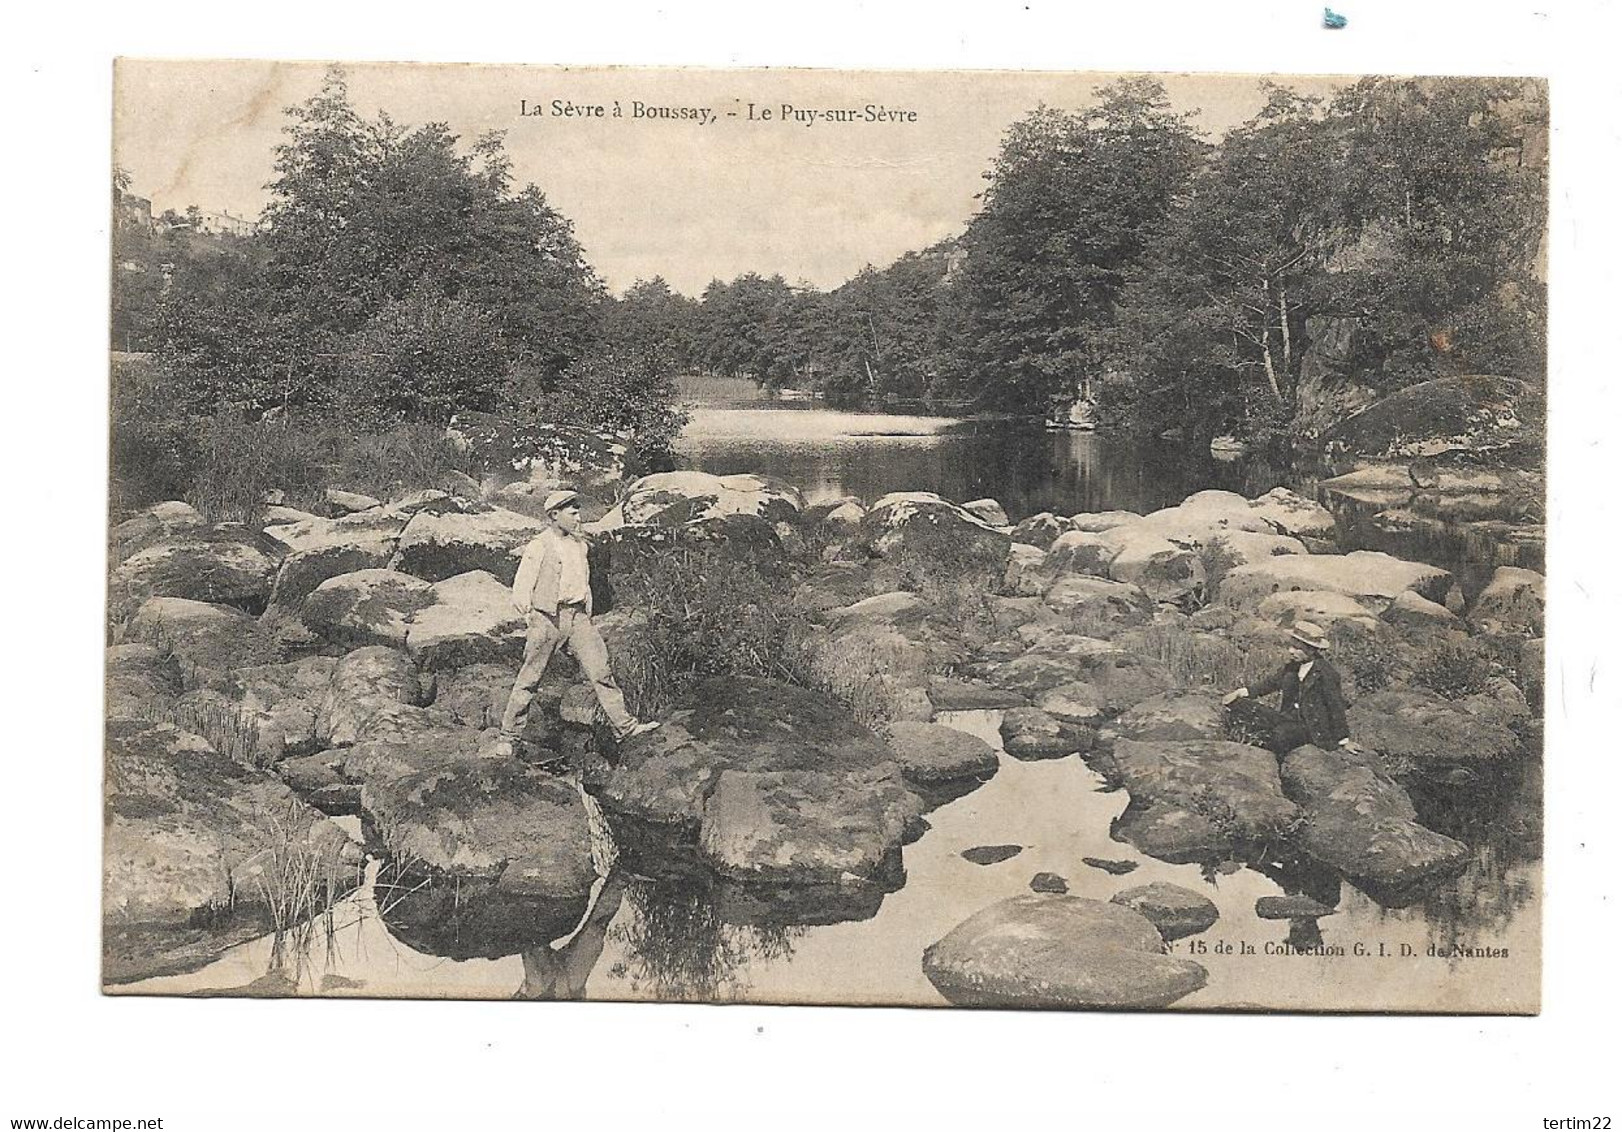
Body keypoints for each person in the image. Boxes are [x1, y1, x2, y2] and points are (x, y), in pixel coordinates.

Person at [490, 489, 658, 759]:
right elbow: (522, 585)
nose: (578, 517)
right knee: (530, 678)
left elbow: (583, 582)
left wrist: (586, 613)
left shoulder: (580, 545)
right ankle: (508, 737)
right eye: (573, 512)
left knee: (601, 672)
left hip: (578, 617)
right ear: (555, 515)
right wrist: (531, 616)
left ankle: (624, 728)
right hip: (548, 618)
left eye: (578, 511)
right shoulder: (539, 545)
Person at [1222, 621, 1353, 755]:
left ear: (1311, 650)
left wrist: (1343, 740)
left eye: (1297, 648)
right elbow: (1270, 684)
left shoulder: (1325, 673)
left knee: (1281, 734)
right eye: (1291, 646)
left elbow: (1335, 705)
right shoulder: (1292, 667)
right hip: (1287, 718)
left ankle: (1275, 760)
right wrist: (1241, 692)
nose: (1291, 651)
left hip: (1311, 727)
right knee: (1240, 705)